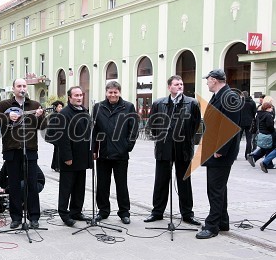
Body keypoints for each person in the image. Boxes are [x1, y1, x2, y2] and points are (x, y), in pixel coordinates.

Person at [0, 78, 46, 229]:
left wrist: (40, 116)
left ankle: (34, 217)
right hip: (11, 149)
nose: (22, 88)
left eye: (24, 86)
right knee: (13, 185)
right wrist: (7, 117)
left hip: (30, 149)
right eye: (19, 86)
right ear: (13, 89)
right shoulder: (4, 105)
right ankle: (16, 218)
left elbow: (42, 126)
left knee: (32, 184)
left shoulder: (34, 105)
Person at [144, 75, 201, 226]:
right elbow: (152, 124)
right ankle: (157, 212)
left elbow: (196, 125)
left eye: (181, 84)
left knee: (184, 183)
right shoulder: (159, 103)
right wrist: (162, 137)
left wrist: (186, 138)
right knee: (161, 182)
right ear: (169, 87)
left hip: (183, 149)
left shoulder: (192, 103)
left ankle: (187, 214)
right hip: (164, 148)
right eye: (176, 84)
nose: (180, 86)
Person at [196, 69, 241, 239]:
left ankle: (212, 226)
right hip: (214, 150)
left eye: (207, 80)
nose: (206, 82)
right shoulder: (219, 96)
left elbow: (229, 126)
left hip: (219, 152)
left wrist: (220, 150)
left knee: (214, 189)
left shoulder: (229, 97)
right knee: (219, 188)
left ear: (214, 80)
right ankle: (222, 221)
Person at [92, 81, 138, 224]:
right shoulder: (98, 107)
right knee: (102, 185)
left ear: (119, 92)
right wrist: (94, 149)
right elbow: (93, 131)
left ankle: (124, 212)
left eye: (115, 92)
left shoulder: (128, 107)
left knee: (121, 185)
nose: (113, 95)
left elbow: (133, 129)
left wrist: (128, 146)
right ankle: (103, 211)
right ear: (106, 93)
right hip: (103, 153)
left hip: (121, 154)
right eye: (110, 92)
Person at [48, 86, 91, 227]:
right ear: (69, 98)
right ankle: (64, 213)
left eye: (80, 95)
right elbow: (63, 138)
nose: (79, 97)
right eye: (76, 95)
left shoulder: (84, 111)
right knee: (66, 187)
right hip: (69, 158)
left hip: (83, 156)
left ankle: (76, 211)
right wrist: (67, 156)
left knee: (79, 187)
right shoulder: (65, 113)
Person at [247, 102, 275, 167]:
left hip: (261, 133)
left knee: (265, 148)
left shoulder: (259, 114)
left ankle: (254, 157)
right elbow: (270, 125)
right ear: (267, 108)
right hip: (268, 134)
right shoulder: (268, 115)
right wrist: (273, 131)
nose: (272, 109)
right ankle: (267, 163)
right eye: (271, 108)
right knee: (270, 148)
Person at [239, 91, 257, 159]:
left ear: (242, 95)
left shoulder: (239, 102)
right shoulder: (252, 102)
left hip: (240, 122)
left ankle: (235, 155)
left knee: (238, 139)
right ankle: (248, 154)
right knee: (249, 139)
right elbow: (254, 112)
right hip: (249, 122)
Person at [49, 100, 64, 172]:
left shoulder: (60, 114)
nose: (61, 108)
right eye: (59, 107)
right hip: (56, 136)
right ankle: (58, 166)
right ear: (55, 108)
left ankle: (55, 165)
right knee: (58, 151)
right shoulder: (54, 115)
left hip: (59, 136)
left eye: (61, 107)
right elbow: (52, 127)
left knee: (57, 151)